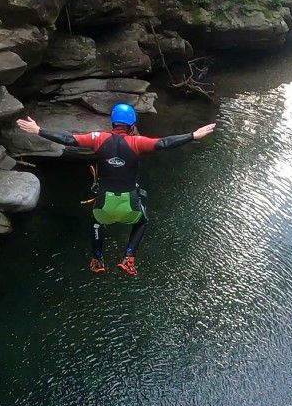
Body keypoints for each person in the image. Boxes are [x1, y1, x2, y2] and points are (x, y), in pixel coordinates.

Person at [16, 103, 216, 277]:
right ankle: (129, 257)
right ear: (132, 125)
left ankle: (98, 260)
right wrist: (193, 135)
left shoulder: (97, 139)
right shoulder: (137, 142)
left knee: (96, 221)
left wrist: (38, 130)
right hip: (129, 205)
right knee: (142, 221)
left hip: (104, 205)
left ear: (113, 123)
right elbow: (164, 143)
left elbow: (68, 139)